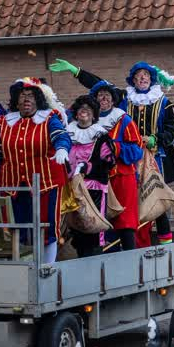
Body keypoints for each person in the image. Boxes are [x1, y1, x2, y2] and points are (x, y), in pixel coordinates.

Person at [49, 59, 174, 245]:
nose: (141, 78)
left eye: (145, 75)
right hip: (123, 162)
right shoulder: (125, 98)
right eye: (137, 76)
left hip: (153, 157)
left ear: (152, 79)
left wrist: (156, 139)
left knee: (155, 200)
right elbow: (99, 86)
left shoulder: (164, 103)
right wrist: (76, 71)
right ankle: (125, 243)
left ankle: (166, 247)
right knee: (125, 205)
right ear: (132, 80)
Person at [0, 77, 72, 264]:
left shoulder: (48, 119)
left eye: (30, 96)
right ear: (16, 101)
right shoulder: (5, 123)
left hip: (45, 185)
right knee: (17, 228)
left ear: (38, 100)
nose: (26, 100)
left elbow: (60, 136)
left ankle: (47, 267)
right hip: (13, 186)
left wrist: (62, 148)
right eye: (22, 96)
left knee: (46, 228)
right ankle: (22, 267)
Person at [87, 80, 144, 251]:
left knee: (125, 223)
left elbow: (137, 149)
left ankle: (130, 260)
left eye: (107, 95)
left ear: (113, 100)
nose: (103, 98)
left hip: (122, 178)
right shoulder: (90, 120)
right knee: (101, 222)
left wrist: (116, 147)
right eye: (100, 95)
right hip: (97, 179)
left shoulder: (123, 120)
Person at [67, 95, 116, 257]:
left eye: (88, 109)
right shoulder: (68, 134)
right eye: (81, 108)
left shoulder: (100, 136)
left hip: (93, 190)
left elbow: (109, 162)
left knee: (93, 228)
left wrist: (87, 167)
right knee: (76, 230)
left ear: (94, 115)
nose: (84, 111)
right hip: (71, 189)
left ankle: (95, 269)